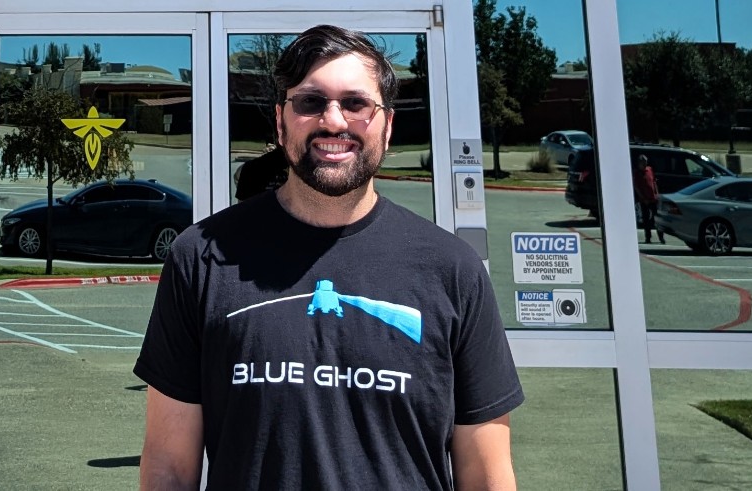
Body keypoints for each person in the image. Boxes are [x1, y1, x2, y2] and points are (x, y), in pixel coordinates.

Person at [135, 25, 523, 490]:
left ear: (388, 125)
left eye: (356, 103)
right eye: (310, 102)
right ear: (281, 123)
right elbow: (168, 467)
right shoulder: (201, 257)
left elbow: (486, 473)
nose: (334, 121)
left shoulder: (453, 270)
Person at [633, 154, 665, 244]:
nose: (644, 164)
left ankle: (661, 237)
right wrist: (643, 198)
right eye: (643, 163)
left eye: (646, 162)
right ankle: (648, 237)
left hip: (653, 199)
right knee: (646, 219)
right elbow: (637, 187)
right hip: (645, 200)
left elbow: (654, 182)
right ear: (639, 163)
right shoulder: (637, 173)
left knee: (657, 219)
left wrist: (657, 193)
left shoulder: (650, 169)